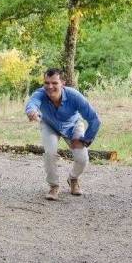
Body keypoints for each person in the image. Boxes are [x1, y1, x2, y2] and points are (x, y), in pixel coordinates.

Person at [25, 68, 101, 200]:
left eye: (54, 83)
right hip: (49, 125)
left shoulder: (74, 96)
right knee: (50, 152)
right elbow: (32, 103)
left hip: (73, 125)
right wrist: (31, 111)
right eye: (47, 83)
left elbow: (94, 119)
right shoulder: (40, 93)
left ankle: (73, 179)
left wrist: (85, 140)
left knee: (82, 158)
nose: (50, 87)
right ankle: (53, 186)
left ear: (62, 83)